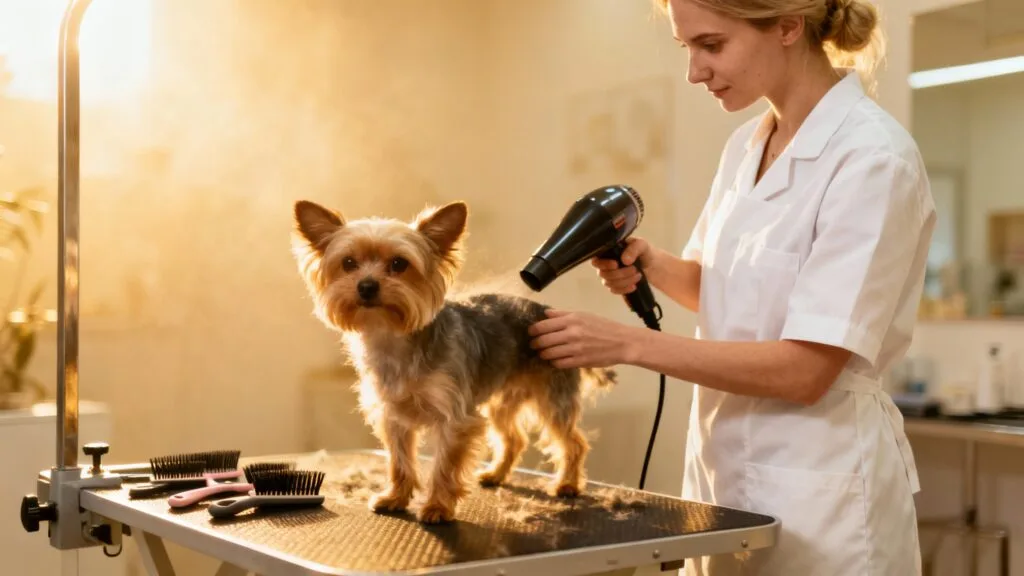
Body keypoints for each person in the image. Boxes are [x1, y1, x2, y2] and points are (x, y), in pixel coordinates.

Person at [527, 0, 936, 574]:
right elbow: (724, 293)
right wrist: (654, 264)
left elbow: (806, 370)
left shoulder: (873, 159)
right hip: (722, 476)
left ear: (788, 26)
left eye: (711, 45)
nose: (695, 71)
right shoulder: (746, 145)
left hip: (823, 494)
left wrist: (627, 344)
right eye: (686, 47)